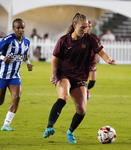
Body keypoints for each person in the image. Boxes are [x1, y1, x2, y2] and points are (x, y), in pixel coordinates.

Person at [43, 13, 116, 143]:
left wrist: (108, 59)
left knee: (81, 110)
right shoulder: (63, 40)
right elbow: (55, 59)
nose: (85, 30)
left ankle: (70, 132)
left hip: (80, 78)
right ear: (74, 25)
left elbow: (101, 52)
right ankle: (49, 127)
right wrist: (54, 74)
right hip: (63, 74)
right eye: (82, 27)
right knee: (64, 96)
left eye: (87, 27)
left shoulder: (90, 39)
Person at [86, 21, 101, 100]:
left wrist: (97, 55)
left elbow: (99, 47)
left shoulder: (95, 38)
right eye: (86, 26)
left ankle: (86, 90)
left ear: (91, 28)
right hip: (81, 63)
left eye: (89, 26)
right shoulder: (79, 37)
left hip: (91, 62)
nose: (88, 28)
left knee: (92, 83)